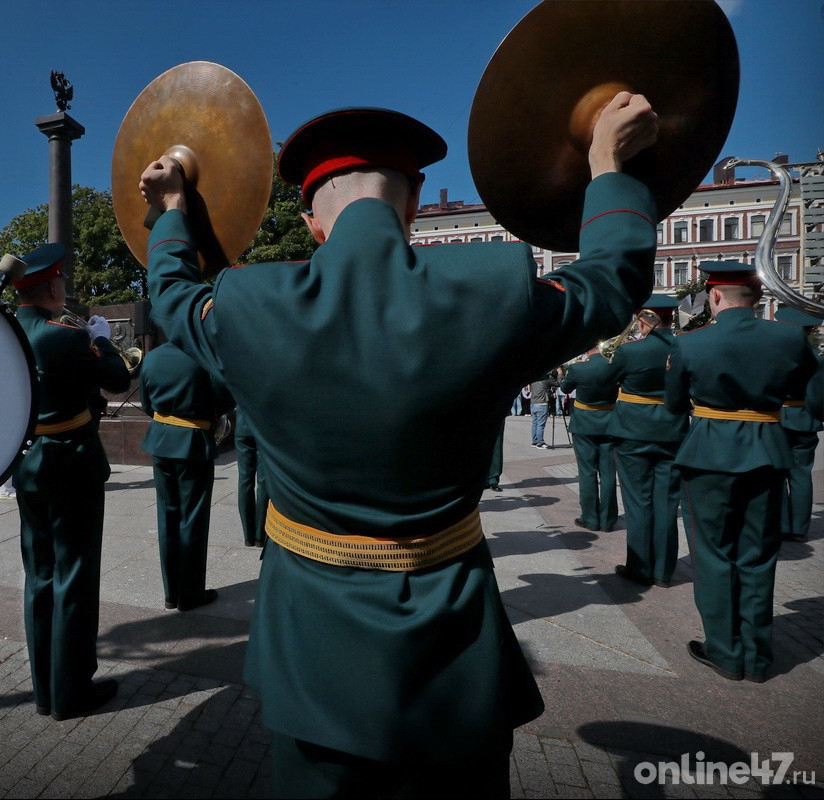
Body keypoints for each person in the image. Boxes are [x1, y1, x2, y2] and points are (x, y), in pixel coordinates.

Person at [139, 94, 658, 795]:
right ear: (413, 204)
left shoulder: (247, 304)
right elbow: (612, 281)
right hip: (453, 645)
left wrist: (173, 208)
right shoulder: (491, 290)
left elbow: (170, 293)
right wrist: (607, 163)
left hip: (311, 652)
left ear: (313, 222)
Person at [665, 262, 818, 682]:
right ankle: (757, 654)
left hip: (709, 455)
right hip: (768, 451)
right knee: (757, 554)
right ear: (756, 299)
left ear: (715, 296)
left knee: (713, 554)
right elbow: (814, 396)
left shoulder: (690, 343)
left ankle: (725, 651)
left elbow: (675, 405)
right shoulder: (788, 336)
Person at [10, 242, 131, 719]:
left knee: (39, 577)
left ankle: (45, 690)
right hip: (71, 462)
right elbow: (119, 379)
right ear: (54, 285)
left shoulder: (7, 333)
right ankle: (72, 691)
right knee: (73, 576)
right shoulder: (63, 334)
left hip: (28, 463)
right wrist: (100, 340)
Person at [140, 340, 236, 609]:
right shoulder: (204, 354)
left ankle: (172, 592)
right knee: (192, 519)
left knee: (167, 517)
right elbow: (225, 399)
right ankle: (190, 594)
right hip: (193, 443)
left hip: (160, 440)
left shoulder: (153, 356)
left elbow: (147, 404)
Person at [604, 295, 687, 585]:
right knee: (666, 501)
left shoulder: (629, 351)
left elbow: (607, 379)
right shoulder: (685, 346)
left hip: (633, 431)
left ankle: (639, 568)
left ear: (644, 319)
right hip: (673, 430)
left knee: (638, 501)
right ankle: (664, 571)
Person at [773, 305, 823, 542]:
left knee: (777, 474)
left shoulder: (776, 354)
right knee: (801, 474)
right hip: (805, 418)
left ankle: (781, 524)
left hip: (779, 417)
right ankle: (800, 527)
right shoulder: (816, 357)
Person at [559, 348, 620, 531]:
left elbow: (565, 388)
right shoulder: (615, 366)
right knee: (608, 473)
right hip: (609, 421)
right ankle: (608, 520)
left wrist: (563, 376)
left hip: (584, 423)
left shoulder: (578, 368)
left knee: (587, 472)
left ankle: (590, 518)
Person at [234, 409, 269, 546]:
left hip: (243, 426)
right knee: (263, 481)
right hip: (263, 428)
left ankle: (248, 536)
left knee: (244, 480)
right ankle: (260, 535)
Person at [530, 371, 559, 448]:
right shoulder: (545, 380)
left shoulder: (533, 380)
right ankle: (540, 442)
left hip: (533, 403)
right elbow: (557, 383)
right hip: (541, 403)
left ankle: (534, 441)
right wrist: (559, 374)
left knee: (534, 423)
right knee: (540, 424)